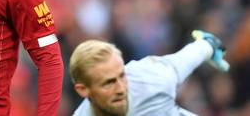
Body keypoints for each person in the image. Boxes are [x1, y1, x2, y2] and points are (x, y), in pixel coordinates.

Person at [69, 30, 230, 116]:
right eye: (108, 83)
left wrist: (207, 45)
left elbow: (193, 53)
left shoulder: (151, 79)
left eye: (122, 76)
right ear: (83, 90)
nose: (121, 89)